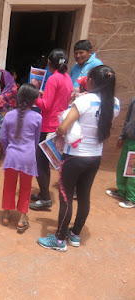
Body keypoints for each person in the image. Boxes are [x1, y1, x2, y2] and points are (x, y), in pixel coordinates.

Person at [37, 65, 120, 251]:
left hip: (74, 157)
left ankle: (58, 240)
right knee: (84, 196)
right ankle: (74, 234)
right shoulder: (114, 103)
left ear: (91, 81)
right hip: (95, 157)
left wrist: (61, 129)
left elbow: (63, 128)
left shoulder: (85, 101)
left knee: (66, 197)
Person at [29, 49, 73, 210]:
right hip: (57, 124)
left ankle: (46, 198)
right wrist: (43, 94)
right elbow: (57, 99)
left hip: (48, 125)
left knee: (41, 163)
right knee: (45, 161)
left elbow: (46, 106)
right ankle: (43, 193)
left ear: (49, 63)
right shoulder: (66, 78)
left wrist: (34, 96)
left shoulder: (53, 79)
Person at [0, 84, 42, 233]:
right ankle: (22, 218)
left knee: (9, 186)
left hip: (12, 156)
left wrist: (7, 151)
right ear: (34, 100)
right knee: (26, 188)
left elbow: (3, 138)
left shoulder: (9, 116)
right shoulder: (38, 117)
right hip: (28, 157)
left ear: (18, 98)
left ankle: (6, 214)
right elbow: (36, 141)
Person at [106, 96, 135, 209]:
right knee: (122, 166)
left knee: (133, 170)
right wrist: (122, 135)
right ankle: (122, 191)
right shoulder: (134, 99)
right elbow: (127, 119)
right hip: (129, 138)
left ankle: (131, 198)